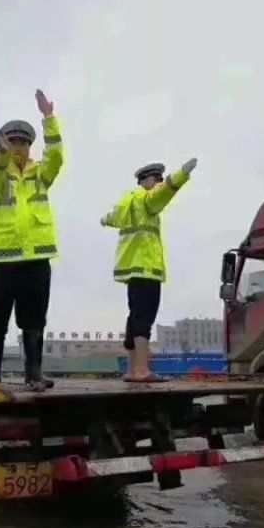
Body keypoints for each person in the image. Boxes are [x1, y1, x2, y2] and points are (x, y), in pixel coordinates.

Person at [0, 89, 63, 391]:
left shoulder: (40, 175)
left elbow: (56, 155)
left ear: (30, 147)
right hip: (3, 259)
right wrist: (0, 156)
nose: (18, 147)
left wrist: (49, 118)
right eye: (13, 142)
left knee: (34, 320)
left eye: (23, 143)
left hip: (36, 260)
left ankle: (34, 374)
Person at [100, 157, 197, 382]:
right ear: (145, 181)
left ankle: (132, 370)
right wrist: (182, 174)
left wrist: (104, 220)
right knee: (144, 318)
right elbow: (164, 193)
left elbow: (112, 218)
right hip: (147, 267)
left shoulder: (126, 203)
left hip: (131, 270)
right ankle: (142, 370)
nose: (159, 183)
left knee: (134, 316)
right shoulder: (146, 200)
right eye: (157, 179)